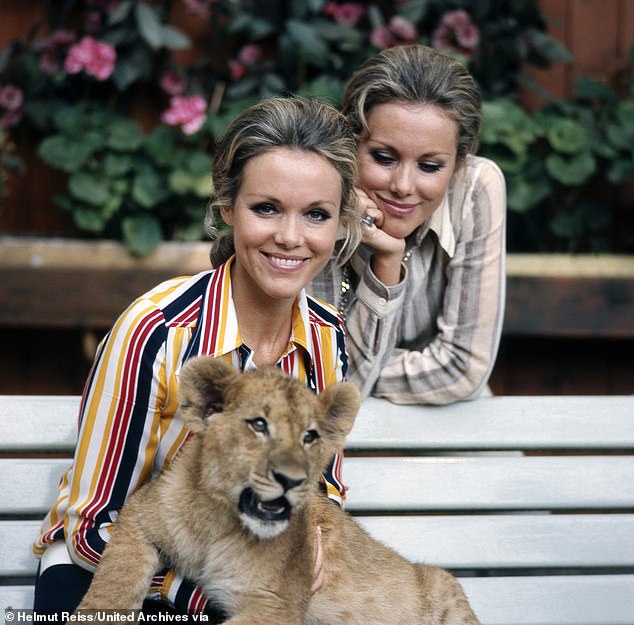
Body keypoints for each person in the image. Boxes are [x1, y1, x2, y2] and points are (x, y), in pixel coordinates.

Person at [33, 96, 361, 618]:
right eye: (267, 208)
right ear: (228, 209)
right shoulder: (158, 331)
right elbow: (91, 527)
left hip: (244, 572)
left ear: (341, 224)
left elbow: (321, 480)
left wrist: (319, 528)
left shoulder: (327, 335)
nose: (291, 237)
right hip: (114, 569)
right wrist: (202, 598)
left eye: (316, 214)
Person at [310, 44, 507, 405]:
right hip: (335, 430)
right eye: (384, 158)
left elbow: (462, 368)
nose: (403, 185)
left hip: (450, 420)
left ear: (458, 163)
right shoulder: (317, 191)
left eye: (430, 166)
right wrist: (384, 263)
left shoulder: (475, 187)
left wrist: (355, 373)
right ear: (351, 145)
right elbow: (320, 378)